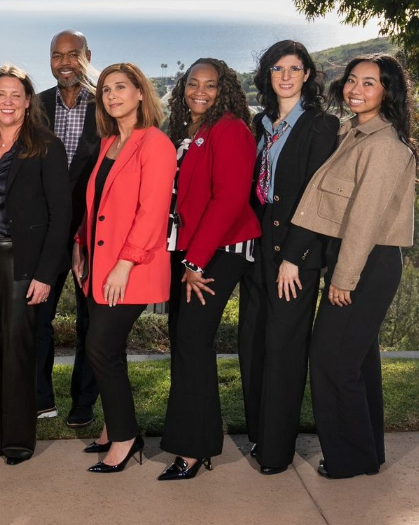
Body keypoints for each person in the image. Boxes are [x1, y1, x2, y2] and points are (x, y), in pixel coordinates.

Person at [292, 54, 418, 479]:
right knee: (359, 361)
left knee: (331, 361)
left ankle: (348, 460)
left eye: (369, 83)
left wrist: (344, 278)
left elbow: (365, 220)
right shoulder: (355, 132)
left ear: (387, 91)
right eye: (352, 80)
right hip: (356, 257)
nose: (355, 89)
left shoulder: (383, 145)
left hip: (365, 261)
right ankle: (367, 453)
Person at [238, 40, 339, 476]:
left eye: (294, 68)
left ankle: (276, 452)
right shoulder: (260, 124)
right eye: (277, 68)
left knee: (283, 349)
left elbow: (320, 199)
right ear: (268, 74)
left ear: (307, 75)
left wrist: (295, 257)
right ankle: (260, 434)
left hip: (293, 258)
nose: (285, 75)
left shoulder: (320, 125)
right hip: (257, 253)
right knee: (253, 345)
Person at [157, 58, 260, 481]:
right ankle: (195, 438)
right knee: (185, 341)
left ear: (226, 90)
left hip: (222, 249)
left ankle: (194, 450)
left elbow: (230, 199)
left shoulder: (231, 128)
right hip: (192, 250)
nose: (201, 91)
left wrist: (196, 261)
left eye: (211, 85)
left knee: (192, 343)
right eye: (193, 84)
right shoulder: (188, 131)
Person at [0, 65, 70, 465]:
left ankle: (19, 442)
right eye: (0, 94)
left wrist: (45, 274)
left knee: (18, 350)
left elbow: (61, 216)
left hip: (22, 261)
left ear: (28, 101)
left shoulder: (45, 145)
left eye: (16, 95)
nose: (7, 101)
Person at [74, 63, 176, 473]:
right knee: (104, 349)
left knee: (101, 348)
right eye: (105, 90)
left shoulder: (155, 143)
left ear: (139, 93)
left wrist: (123, 264)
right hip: (99, 267)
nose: (112, 95)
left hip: (129, 269)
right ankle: (112, 427)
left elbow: (153, 212)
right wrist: (81, 243)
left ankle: (125, 437)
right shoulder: (108, 144)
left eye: (121, 87)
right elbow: (96, 205)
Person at [35, 30, 100, 427]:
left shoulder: (106, 104)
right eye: (57, 55)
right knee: (38, 317)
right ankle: (41, 398)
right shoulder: (37, 105)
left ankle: (84, 400)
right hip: (44, 233)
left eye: (73, 55)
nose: (65, 63)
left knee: (89, 321)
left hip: (94, 232)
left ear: (87, 56)